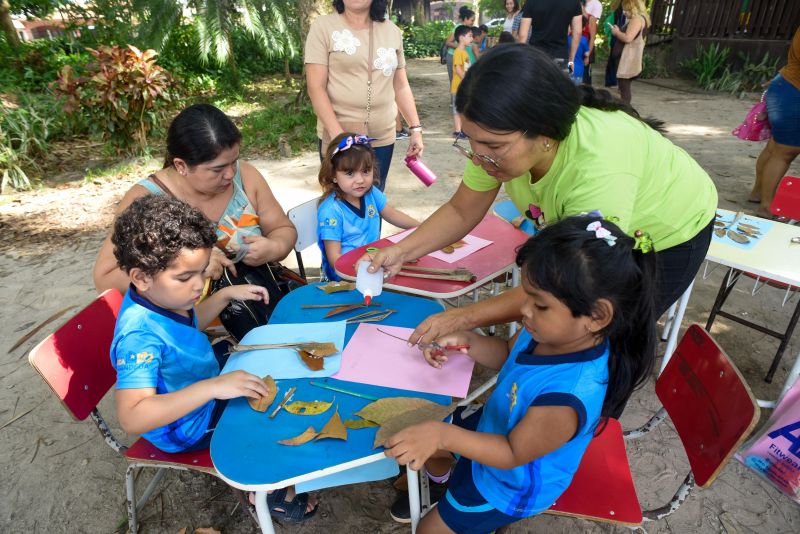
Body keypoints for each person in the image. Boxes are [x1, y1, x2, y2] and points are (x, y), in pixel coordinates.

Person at [365, 44, 717, 347]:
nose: (479, 156)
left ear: (545, 134)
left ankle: (592, 420)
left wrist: (463, 318)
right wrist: (400, 250)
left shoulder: (597, 166)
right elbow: (461, 210)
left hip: (669, 230)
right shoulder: (493, 146)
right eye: (470, 140)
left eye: (492, 146)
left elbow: (566, 280)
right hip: (599, 229)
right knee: (558, 330)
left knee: (602, 338)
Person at [383, 216, 657, 532]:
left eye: (539, 305)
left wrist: (442, 436)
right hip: (498, 424)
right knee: (426, 427)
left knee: (428, 530)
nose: (524, 310)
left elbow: (512, 453)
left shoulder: (567, 396)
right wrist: (468, 342)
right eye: (527, 295)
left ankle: (456, 495)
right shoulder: (547, 331)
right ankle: (444, 476)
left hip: (509, 482)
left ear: (597, 316)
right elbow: (505, 354)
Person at [110, 194, 317, 522]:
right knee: (265, 407)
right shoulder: (139, 338)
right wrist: (214, 388)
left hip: (198, 385)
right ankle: (267, 493)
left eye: (202, 271)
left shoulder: (162, 298)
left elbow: (188, 326)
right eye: (185, 277)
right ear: (141, 277)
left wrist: (223, 296)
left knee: (261, 366)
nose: (199, 285)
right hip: (185, 426)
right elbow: (133, 417)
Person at [93, 104, 297, 297]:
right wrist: (188, 268)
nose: (230, 174)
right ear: (181, 165)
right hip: (188, 324)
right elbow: (106, 280)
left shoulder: (246, 176)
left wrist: (274, 248)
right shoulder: (144, 201)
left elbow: (283, 229)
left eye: (233, 161)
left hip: (260, 307)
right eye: (217, 169)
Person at [305, 0, 424, 191]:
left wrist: (415, 128)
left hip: (382, 136)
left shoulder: (391, 31)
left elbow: (400, 85)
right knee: (340, 201)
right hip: (338, 133)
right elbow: (315, 88)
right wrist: (339, 137)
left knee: (374, 200)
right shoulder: (323, 27)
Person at [317, 133, 418, 281]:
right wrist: (365, 270)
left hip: (373, 264)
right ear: (333, 175)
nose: (360, 180)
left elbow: (392, 214)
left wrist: (422, 228)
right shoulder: (331, 211)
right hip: (346, 278)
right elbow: (335, 260)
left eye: (365, 171)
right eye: (350, 173)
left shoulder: (370, 193)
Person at [748, 27, 800, 217]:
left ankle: (758, 193)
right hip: (793, 92)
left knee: (775, 147)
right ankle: (767, 206)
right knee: (785, 152)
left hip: (786, 87)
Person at [517, 0, 582, 74]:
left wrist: (520, 60)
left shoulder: (531, 1)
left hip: (537, 56)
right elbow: (578, 33)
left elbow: (522, 35)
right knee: (559, 85)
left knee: (537, 85)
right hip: (561, 57)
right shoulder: (574, 2)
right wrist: (571, 61)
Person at [611, 0, 649, 104]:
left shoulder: (637, 19)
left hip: (628, 58)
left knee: (624, 87)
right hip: (627, 58)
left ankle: (625, 110)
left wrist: (617, 32)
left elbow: (628, 38)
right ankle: (625, 108)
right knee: (624, 86)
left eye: (626, 10)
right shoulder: (639, 19)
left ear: (633, 9)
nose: (624, 13)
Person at [451, 25, 474, 138]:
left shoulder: (463, 52)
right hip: (458, 87)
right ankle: (458, 131)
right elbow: (459, 69)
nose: (472, 38)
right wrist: (467, 81)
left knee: (463, 108)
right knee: (457, 108)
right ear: (461, 38)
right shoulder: (458, 52)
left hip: (462, 86)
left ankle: (462, 130)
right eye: (469, 36)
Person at [444, 6, 476, 83]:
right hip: (452, 56)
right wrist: (461, 46)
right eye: (472, 20)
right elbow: (448, 42)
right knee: (454, 81)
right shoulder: (458, 28)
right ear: (465, 19)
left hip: (462, 56)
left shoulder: (468, 29)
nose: (473, 22)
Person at [604, 0, 626, 89]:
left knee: (613, 59)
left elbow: (607, 24)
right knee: (615, 59)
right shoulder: (619, 11)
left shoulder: (617, 10)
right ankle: (613, 81)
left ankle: (612, 81)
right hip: (618, 36)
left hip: (617, 36)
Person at [582, 0, 603, 85]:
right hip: (573, 51)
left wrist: (588, 55)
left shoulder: (591, 17)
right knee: (572, 73)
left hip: (585, 47)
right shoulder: (573, 16)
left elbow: (592, 37)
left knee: (585, 76)